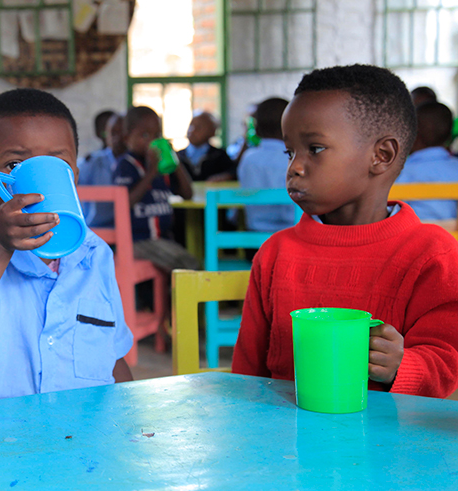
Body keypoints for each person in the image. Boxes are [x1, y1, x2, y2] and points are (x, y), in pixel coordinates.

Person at [232, 64, 458, 399]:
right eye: (289, 151)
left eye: (315, 149)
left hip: (390, 445)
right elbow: (248, 374)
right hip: (283, 443)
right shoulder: (276, 252)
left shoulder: (433, 255)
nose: (294, 167)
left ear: (381, 156)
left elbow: (447, 366)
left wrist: (403, 364)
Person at [0, 88, 133, 407]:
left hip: (79, 442)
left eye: (56, 165)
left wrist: (132, 416)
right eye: (15, 164)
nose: (36, 182)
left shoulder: (94, 254)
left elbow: (110, 356)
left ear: (73, 177)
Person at [113, 106, 199, 272]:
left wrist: (176, 163)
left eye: (157, 135)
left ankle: (171, 297)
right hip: (139, 240)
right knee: (189, 265)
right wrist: (151, 172)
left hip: (162, 239)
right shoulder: (127, 165)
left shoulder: (161, 167)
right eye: (144, 135)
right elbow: (126, 202)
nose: (152, 141)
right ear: (127, 138)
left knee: (185, 261)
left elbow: (187, 194)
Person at [236, 97, 298, 232]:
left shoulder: (247, 159)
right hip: (293, 236)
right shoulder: (294, 158)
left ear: (256, 130)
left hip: (255, 236)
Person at [395, 101, 458, 220]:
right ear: (449, 136)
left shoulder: (400, 172)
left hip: (416, 237)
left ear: (413, 134)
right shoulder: (456, 168)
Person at [77, 112, 125, 227]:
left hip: (131, 231)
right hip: (97, 230)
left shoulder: (138, 163)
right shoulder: (93, 161)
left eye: (122, 133)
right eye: (112, 133)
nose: (117, 139)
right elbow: (71, 182)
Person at [176, 112, 236, 182]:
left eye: (199, 127)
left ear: (212, 132)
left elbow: (233, 172)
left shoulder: (219, 155)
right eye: (191, 126)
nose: (192, 130)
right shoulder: (177, 156)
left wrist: (226, 176)